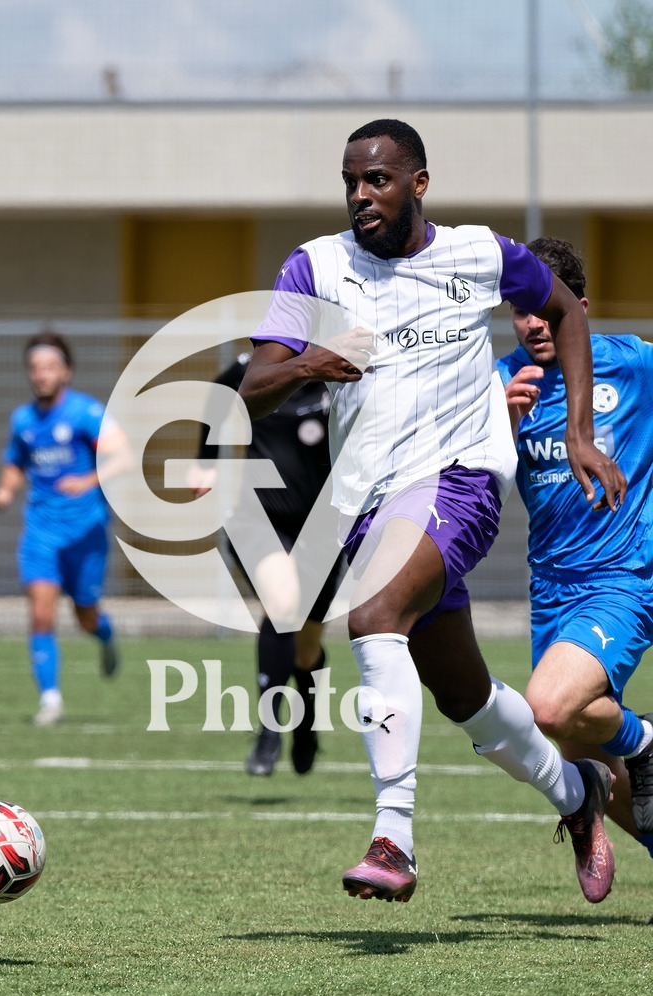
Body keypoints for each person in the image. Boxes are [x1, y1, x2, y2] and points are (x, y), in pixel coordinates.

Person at [237, 118, 627, 906]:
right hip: (372, 504)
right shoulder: (315, 266)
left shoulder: (480, 254)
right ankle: (579, 795)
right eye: (350, 181)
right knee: (469, 700)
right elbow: (254, 387)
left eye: (377, 180)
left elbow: (567, 311)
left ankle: (394, 838)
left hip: (461, 480)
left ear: (418, 183)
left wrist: (580, 433)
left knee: (375, 614)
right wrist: (316, 358)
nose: (360, 196)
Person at [499, 236, 653, 857]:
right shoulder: (505, 381)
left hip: (624, 574)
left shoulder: (634, 364)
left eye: (547, 308)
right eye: (520, 308)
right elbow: (465, 483)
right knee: (578, 747)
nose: (534, 322)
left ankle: (645, 740)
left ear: (579, 309)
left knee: (549, 707)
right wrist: (498, 428)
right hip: (551, 589)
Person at [187, 351, 346, 776]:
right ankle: (269, 729)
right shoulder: (248, 371)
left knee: (308, 646)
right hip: (256, 515)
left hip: (322, 523)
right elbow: (216, 402)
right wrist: (205, 463)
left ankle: (307, 722)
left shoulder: (342, 371)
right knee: (282, 604)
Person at [0, 331, 128, 726]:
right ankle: (50, 700)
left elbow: (122, 457)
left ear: (65, 372)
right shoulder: (23, 420)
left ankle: (103, 633)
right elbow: (16, 462)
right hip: (41, 531)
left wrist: (86, 482)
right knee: (40, 614)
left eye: (50, 367)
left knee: (85, 615)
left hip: (86, 531)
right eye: (35, 369)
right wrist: (4, 489)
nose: (42, 375)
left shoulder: (86, 413)